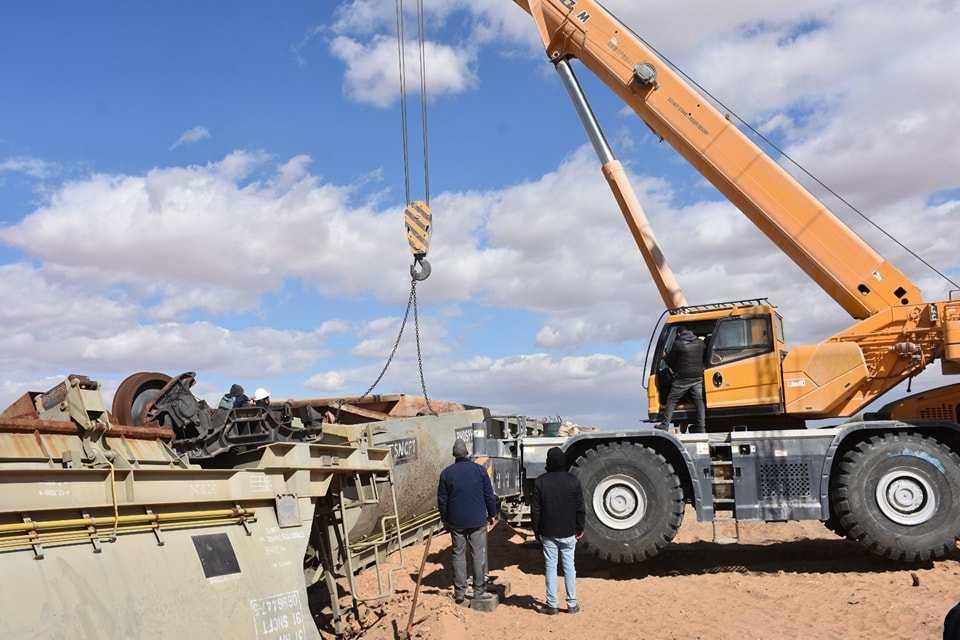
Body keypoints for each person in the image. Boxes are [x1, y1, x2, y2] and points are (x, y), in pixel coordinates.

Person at [437, 439, 498, 604]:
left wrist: (445, 519)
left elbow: (442, 500)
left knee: (458, 555)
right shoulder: (479, 470)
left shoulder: (446, 474)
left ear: (454, 455)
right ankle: (478, 591)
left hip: (456, 522)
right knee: (478, 554)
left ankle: (459, 593)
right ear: (467, 453)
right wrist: (493, 513)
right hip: (477, 521)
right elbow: (489, 495)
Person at [531, 447, 585, 615]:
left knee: (551, 568)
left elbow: (536, 511)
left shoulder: (540, 481)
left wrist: (536, 530)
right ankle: (572, 604)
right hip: (569, 532)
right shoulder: (573, 481)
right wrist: (580, 527)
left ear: (548, 462)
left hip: (548, 533)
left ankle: (552, 605)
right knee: (569, 567)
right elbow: (580, 508)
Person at [659, 326, 707, 433]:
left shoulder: (678, 344)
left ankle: (665, 424)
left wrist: (664, 356)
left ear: (679, 334)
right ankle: (701, 427)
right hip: (698, 376)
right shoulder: (700, 343)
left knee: (672, 399)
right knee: (699, 402)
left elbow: (671, 361)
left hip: (683, 378)